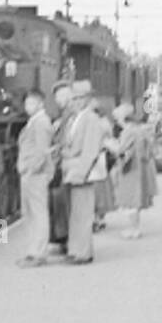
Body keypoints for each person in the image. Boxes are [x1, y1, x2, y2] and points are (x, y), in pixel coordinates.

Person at [60, 81, 108, 264]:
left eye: (78, 98)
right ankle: (76, 249)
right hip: (72, 172)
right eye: (73, 98)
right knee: (76, 214)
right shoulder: (76, 118)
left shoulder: (90, 119)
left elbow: (90, 149)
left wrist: (80, 172)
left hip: (82, 173)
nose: (74, 101)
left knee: (83, 213)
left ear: (86, 99)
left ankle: (83, 253)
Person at [15, 89, 55, 267]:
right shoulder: (34, 121)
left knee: (38, 213)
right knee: (30, 213)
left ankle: (38, 253)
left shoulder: (41, 122)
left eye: (31, 103)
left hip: (35, 174)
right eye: (26, 103)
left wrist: (31, 170)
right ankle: (32, 251)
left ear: (40, 104)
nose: (27, 107)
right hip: (29, 173)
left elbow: (42, 150)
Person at [114, 103, 157, 238]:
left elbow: (120, 149)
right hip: (141, 166)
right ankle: (136, 228)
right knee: (136, 198)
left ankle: (133, 229)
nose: (116, 121)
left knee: (130, 198)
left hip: (130, 167)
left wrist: (108, 144)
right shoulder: (141, 130)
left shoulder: (128, 131)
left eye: (117, 118)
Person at [48, 81, 76, 255]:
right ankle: (62, 238)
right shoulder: (65, 115)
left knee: (63, 202)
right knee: (59, 202)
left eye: (60, 96)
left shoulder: (71, 115)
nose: (58, 100)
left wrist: (56, 150)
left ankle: (66, 240)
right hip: (61, 163)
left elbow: (68, 140)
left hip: (65, 164)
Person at [93, 97, 119, 232]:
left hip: (97, 160)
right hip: (101, 159)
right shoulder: (105, 122)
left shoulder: (97, 123)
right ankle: (99, 218)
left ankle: (96, 218)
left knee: (97, 190)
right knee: (102, 189)